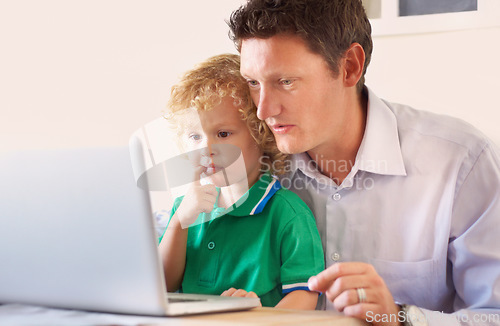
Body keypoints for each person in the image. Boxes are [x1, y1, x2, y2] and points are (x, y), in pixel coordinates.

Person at [228, 0, 500, 325]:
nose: (264, 110)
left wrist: (402, 319)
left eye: (286, 82)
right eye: (253, 83)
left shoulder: (461, 162)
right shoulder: (249, 164)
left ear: (350, 67)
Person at [157, 53, 324, 309]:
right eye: (195, 137)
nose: (206, 148)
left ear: (261, 135)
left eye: (223, 133)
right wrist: (179, 222)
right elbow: (162, 285)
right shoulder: (185, 208)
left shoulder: (286, 213)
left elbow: (306, 294)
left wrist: (261, 319)